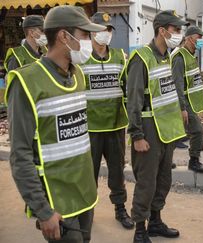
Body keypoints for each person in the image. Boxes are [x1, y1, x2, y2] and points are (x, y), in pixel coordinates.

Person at [5, 5, 106, 242]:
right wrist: (42, 210)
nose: (89, 42)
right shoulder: (26, 82)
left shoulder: (78, 75)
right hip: (55, 199)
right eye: (85, 35)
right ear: (64, 36)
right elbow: (20, 154)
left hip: (84, 193)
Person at [126, 10, 188, 243]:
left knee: (163, 180)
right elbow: (133, 100)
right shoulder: (141, 59)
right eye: (176, 29)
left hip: (166, 131)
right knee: (147, 182)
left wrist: (181, 110)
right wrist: (137, 135)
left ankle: (155, 221)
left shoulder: (167, 57)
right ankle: (140, 230)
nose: (179, 34)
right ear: (162, 30)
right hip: (148, 130)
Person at [79, 12, 133, 229]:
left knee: (117, 171)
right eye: (102, 29)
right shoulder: (81, 59)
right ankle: (86, 213)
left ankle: (120, 210)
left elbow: (128, 89)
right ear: (92, 32)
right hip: (89, 128)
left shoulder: (121, 57)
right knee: (88, 174)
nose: (106, 34)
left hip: (115, 126)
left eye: (109, 30)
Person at [171, 26, 203, 173]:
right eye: (198, 38)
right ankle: (194, 161)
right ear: (188, 39)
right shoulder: (180, 57)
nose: (201, 41)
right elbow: (177, 84)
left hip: (191, 103)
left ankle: (165, 160)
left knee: (177, 133)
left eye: (201, 38)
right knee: (197, 132)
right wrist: (182, 108)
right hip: (184, 102)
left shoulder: (191, 54)